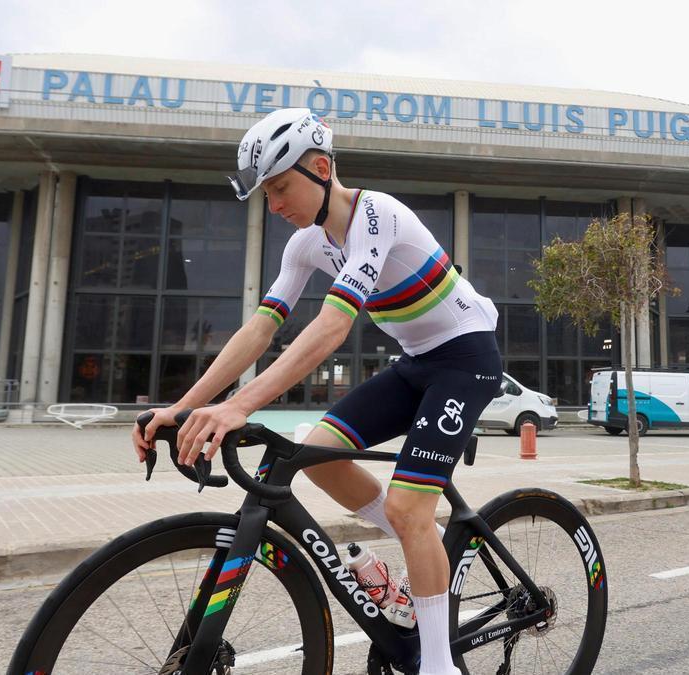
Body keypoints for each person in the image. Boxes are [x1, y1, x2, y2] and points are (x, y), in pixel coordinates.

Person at [132, 107, 501, 675]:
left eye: (280, 188)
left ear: (322, 169)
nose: (274, 204)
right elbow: (260, 328)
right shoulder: (306, 244)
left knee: (408, 506)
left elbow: (332, 326)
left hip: (466, 359)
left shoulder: (376, 215)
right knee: (318, 453)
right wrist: (182, 408)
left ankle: (438, 665)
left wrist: (238, 405)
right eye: (266, 194)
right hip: (417, 362)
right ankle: (416, 538)